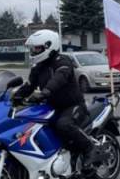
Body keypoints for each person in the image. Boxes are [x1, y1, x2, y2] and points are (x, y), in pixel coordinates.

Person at [12, 29, 108, 171]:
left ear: (49, 46)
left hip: (73, 105)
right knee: (30, 124)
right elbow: (29, 85)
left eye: (37, 48)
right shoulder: (37, 67)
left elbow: (59, 78)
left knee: (64, 125)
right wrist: (15, 97)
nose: (34, 51)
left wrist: (45, 92)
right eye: (33, 48)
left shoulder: (63, 61)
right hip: (51, 106)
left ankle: (91, 149)